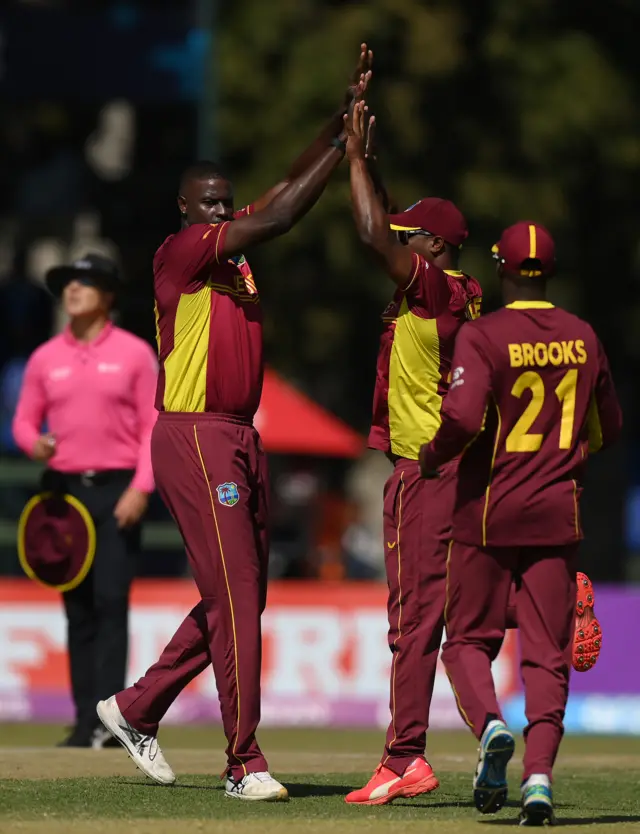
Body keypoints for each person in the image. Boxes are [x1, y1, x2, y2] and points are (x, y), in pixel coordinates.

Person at [95, 47, 373, 802]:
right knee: (238, 595)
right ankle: (242, 763)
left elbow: (281, 188)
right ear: (186, 210)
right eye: (209, 203)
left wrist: (337, 120)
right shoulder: (183, 253)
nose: (221, 211)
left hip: (240, 434)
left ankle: (135, 706)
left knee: (239, 597)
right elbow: (284, 213)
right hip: (193, 433)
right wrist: (346, 151)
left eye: (226, 202)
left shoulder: (230, 249)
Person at [419, 221, 622, 825]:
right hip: (558, 511)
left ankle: (489, 728)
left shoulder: (483, 334)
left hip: (487, 509)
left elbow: (460, 418)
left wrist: (433, 456)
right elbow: (607, 427)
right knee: (547, 653)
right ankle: (538, 776)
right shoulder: (583, 336)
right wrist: (564, 461)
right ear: (550, 271)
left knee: (467, 642)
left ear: (501, 268)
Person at [342, 100, 483, 805]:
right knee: (450, 606)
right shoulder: (458, 288)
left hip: (425, 469)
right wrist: (367, 159)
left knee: (415, 616)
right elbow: (391, 221)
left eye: (411, 240)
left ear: (430, 248)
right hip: (454, 467)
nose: (400, 248)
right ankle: (551, 594)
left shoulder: (432, 291)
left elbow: (373, 230)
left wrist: (347, 156)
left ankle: (405, 758)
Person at [12, 253, 158, 748]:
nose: (73, 290)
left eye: (85, 282)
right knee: (76, 609)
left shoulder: (136, 354)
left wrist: (141, 487)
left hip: (117, 489)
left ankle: (109, 720)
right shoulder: (45, 358)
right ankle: (81, 723)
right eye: (67, 283)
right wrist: (36, 443)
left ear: (108, 294)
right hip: (64, 496)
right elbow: (24, 422)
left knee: (111, 602)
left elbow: (152, 427)